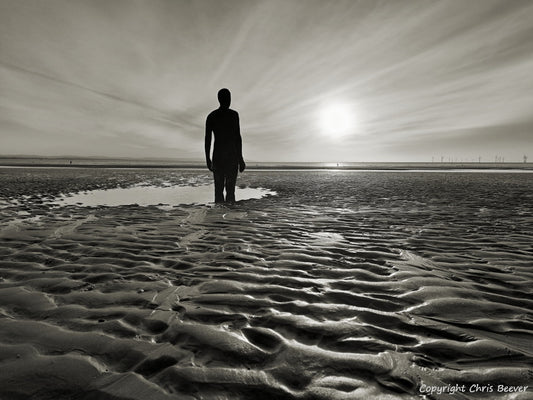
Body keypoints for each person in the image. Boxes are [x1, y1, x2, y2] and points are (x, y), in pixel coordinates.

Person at [205, 88, 246, 203]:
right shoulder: (231, 115)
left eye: (229, 98)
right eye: (227, 98)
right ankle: (224, 217)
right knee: (225, 190)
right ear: (221, 99)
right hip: (227, 157)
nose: (229, 100)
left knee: (224, 190)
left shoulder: (213, 116)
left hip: (222, 157)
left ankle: (225, 218)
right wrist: (208, 159)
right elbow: (208, 139)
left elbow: (237, 137)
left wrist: (240, 159)